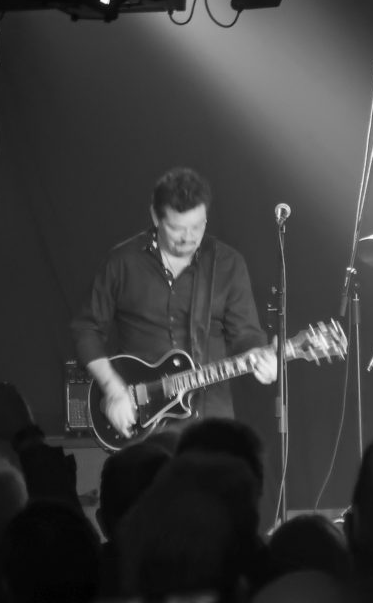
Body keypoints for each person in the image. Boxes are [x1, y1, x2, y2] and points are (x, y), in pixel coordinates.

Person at [72, 167, 276, 443]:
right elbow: (86, 329)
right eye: (177, 228)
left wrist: (261, 359)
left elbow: (246, 335)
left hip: (212, 422)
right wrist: (113, 389)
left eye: (198, 226)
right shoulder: (123, 262)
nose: (189, 237)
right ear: (156, 217)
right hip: (143, 423)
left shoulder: (228, 264)